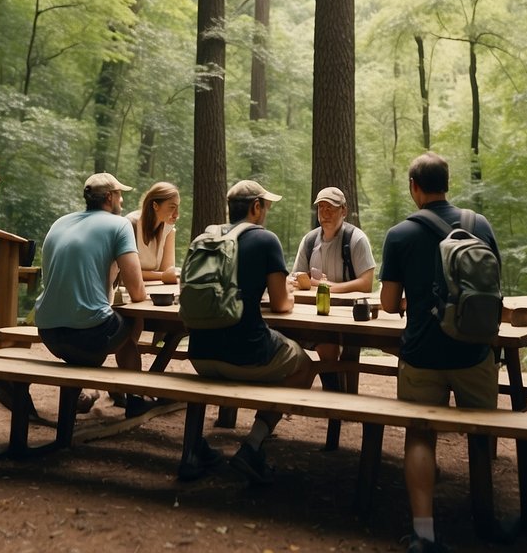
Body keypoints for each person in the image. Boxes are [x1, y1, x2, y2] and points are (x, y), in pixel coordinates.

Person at [379, 152, 499, 553]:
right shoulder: (478, 224)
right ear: (447, 182)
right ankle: (485, 519)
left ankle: (424, 533)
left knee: (419, 436)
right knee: (481, 434)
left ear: (414, 186)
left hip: (421, 354)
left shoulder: (400, 234)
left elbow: (389, 304)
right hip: (474, 351)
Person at [186, 180, 318, 485]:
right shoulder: (266, 240)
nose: (266, 212)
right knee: (306, 365)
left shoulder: (206, 237)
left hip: (200, 354)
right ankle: (252, 445)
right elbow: (282, 304)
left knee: (215, 365)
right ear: (255, 207)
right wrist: (291, 293)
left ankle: (192, 452)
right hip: (246, 354)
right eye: (266, 206)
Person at [32, 172, 154, 418]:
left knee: (97, 316)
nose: (122, 201)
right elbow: (137, 292)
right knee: (133, 319)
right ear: (109, 197)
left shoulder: (60, 222)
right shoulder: (119, 224)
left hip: (48, 332)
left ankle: (85, 394)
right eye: (119, 195)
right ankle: (134, 397)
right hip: (88, 338)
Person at [290, 186, 376, 388]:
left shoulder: (356, 239)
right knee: (323, 345)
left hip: (349, 316)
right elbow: (295, 277)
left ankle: (336, 398)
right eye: (321, 208)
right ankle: (335, 396)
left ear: (344, 211)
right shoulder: (309, 240)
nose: (325, 213)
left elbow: (367, 283)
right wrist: (297, 281)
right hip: (315, 314)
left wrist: (327, 287)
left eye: (331, 208)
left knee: (329, 345)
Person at [125, 181, 181, 283]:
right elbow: (127, 271)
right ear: (155, 206)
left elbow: (168, 271)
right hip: (130, 290)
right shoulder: (130, 225)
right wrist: (163, 276)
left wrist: (165, 275)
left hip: (155, 290)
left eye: (177, 207)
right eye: (172, 207)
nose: (177, 214)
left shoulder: (168, 229)